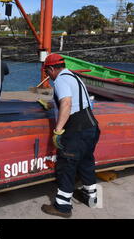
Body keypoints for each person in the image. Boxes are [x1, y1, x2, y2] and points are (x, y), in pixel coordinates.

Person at [41, 53, 100, 218]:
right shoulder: (74, 76)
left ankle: (63, 206)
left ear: (52, 68)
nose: (48, 76)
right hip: (91, 127)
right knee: (86, 162)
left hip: (76, 130)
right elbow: (79, 101)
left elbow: (66, 103)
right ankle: (91, 197)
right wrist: (51, 105)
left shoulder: (60, 80)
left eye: (47, 72)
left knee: (66, 165)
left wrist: (58, 130)